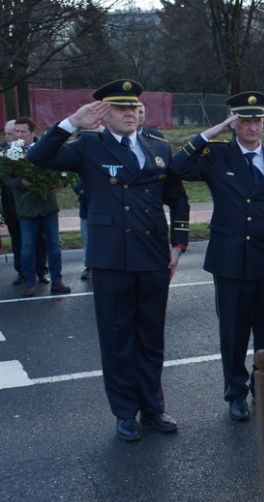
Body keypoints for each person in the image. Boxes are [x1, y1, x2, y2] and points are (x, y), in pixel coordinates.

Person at [27, 79, 190, 442]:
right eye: (120, 108)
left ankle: (152, 406)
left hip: (151, 256)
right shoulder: (88, 145)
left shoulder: (158, 145)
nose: (130, 113)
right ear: (104, 112)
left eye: (133, 107)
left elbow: (176, 196)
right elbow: (37, 156)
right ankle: (124, 412)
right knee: (118, 338)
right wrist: (72, 122)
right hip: (111, 257)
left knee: (151, 336)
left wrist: (178, 242)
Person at [170, 91, 264, 422]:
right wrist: (210, 133)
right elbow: (177, 165)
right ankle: (236, 392)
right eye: (244, 120)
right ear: (233, 124)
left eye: (257, 120)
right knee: (235, 331)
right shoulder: (216, 155)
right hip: (232, 259)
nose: (252, 126)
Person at [3, 117, 69, 296]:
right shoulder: (9, 154)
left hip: (47, 205)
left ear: (33, 133)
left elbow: (63, 170)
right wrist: (20, 182)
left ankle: (57, 280)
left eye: (23, 131)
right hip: (26, 207)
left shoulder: (46, 150)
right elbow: (5, 177)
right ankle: (29, 282)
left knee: (54, 245)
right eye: (16, 131)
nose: (19, 135)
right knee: (27, 246)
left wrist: (59, 184)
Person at [1, 119, 47, 286]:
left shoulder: (34, 149)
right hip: (11, 201)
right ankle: (21, 271)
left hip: (33, 200)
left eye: (11, 133)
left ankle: (41, 270)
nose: (9, 137)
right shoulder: (3, 151)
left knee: (38, 236)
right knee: (17, 237)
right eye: (6, 133)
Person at [72, 180, 90, 279]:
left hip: (103, 207)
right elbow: (73, 180)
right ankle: (89, 266)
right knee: (87, 239)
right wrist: (80, 190)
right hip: (86, 209)